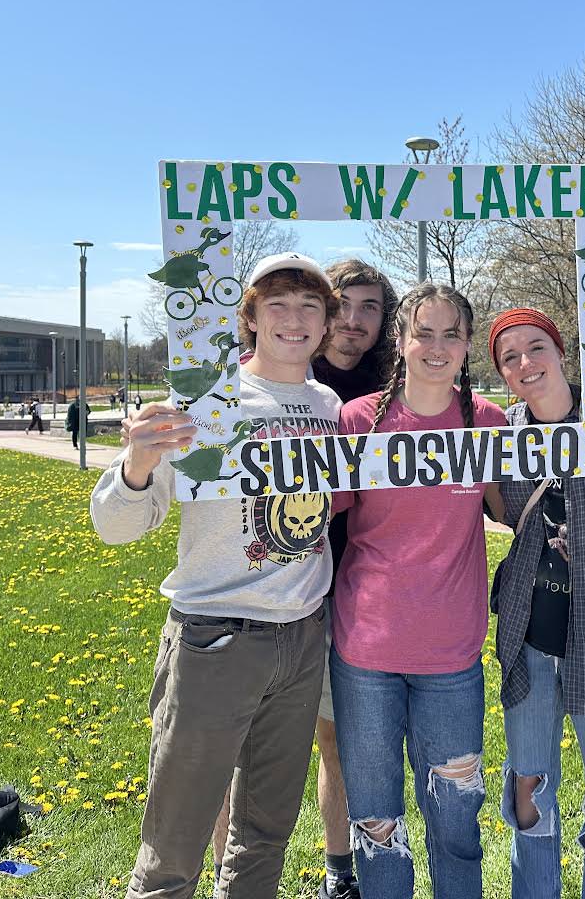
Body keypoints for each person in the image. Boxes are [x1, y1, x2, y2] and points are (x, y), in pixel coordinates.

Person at [90, 252, 342, 899]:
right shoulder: (206, 400)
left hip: (302, 638)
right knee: (173, 844)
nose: (293, 319)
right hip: (215, 641)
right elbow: (117, 525)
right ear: (249, 317)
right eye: (276, 304)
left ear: (326, 322)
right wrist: (137, 463)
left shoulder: (327, 404)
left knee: (265, 836)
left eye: (309, 305)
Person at [208, 257, 397, 899]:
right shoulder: (280, 377)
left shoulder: (392, 387)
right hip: (264, 587)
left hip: (357, 589)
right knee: (240, 750)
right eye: (342, 303)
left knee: (336, 738)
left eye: (371, 307)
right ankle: (224, 877)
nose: (354, 319)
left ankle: (338, 869)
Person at [328, 283, 508, 899]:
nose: (436, 347)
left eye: (451, 334)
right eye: (423, 333)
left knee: (456, 819)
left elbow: (514, 509)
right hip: (364, 652)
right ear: (401, 341)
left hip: (451, 657)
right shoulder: (356, 421)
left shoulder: (486, 421)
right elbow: (319, 517)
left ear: (466, 346)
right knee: (376, 820)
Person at [488, 308, 585, 898]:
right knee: (527, 782)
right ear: (502, 374)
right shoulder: (499, 438)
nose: (526, 363)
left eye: (536, 348)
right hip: (530, 635)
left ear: (561, 352)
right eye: (510, 358)